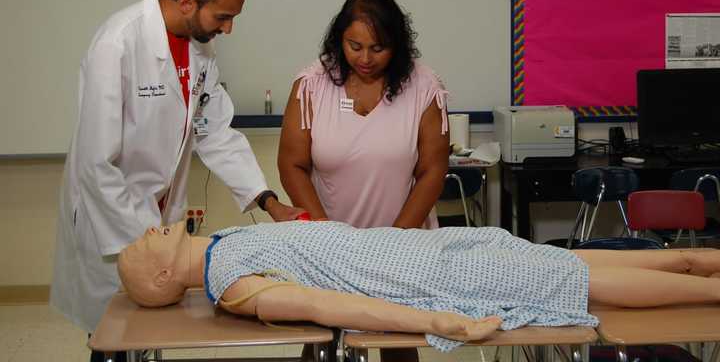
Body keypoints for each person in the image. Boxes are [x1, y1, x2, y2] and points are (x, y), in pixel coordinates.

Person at [50, 0, 304, 358]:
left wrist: (268, 201)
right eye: (222, 17)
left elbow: (214, 130)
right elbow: (96, 162)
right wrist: (147, 235)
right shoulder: (118, 43)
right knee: (113, 334)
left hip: (159, 216)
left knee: (150, 333)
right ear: (187, 2)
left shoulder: (199, 49)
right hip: (112, 218)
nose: (229, 28)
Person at [119, 221, 720, 353]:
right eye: (143, 247)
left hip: (431, 247)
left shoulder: (225, 242)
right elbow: (332, 306)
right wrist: (444, 322)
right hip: (441, 277)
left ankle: (703, 265)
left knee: (663, 258)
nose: (147, 232)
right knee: (585, 281)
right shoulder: (231, 285)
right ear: (164, 277)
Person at [278, 0, 450, 230]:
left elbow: (432, 171)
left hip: (406, 242)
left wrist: (395, 237)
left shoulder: (426, 88)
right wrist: (324, 231)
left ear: (397, 45)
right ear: (340, 39)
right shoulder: (311, 85)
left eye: (378, 48)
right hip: (328, 242)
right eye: (355, 46)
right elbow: (291, 165)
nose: (366, 59)